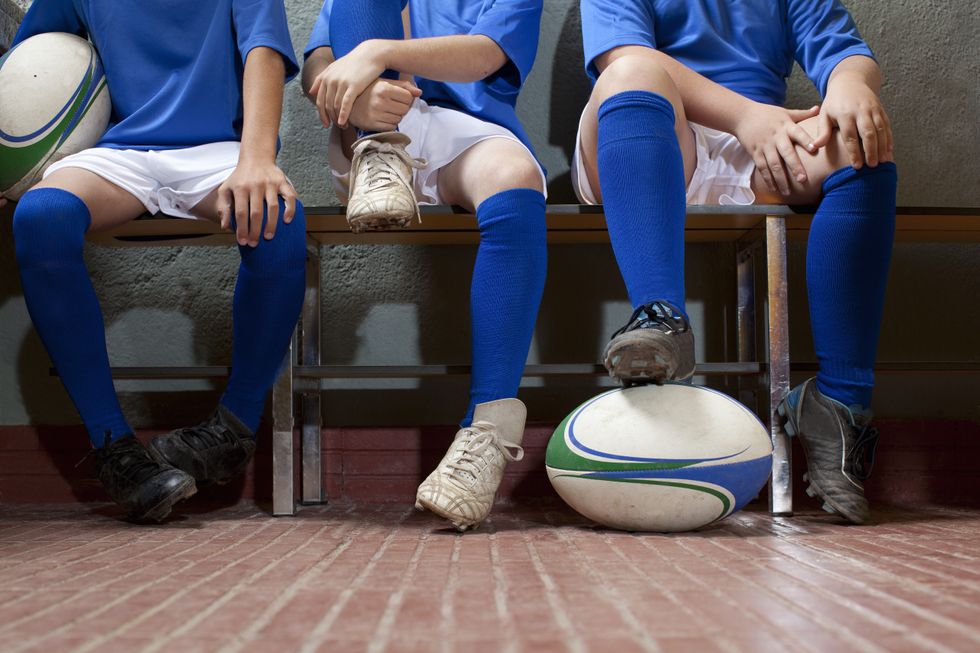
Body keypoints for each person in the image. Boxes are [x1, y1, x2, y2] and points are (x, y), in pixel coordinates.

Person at [574, 0, 897, 524]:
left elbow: (842, 51)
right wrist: (746, 116)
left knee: (862, 146)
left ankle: (839, 404)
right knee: (631, 71)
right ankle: (660, 318)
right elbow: (623, 54)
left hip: (759, 147)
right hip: (647, 133)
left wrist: (850, 85)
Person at [2, 0, 305, 522]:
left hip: (220, 149)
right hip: (120, 152)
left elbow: (265, 51)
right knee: (40, 216)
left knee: (277, 217)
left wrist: (257, 157)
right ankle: (116, 450)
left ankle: (233, 426)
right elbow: (28, 66)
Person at [302, 0, 546, 531]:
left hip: (469, 131)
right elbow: (318, 62)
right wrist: (347, 89)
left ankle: (488, 428)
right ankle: (381, 150)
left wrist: (378, 51)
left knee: (515, 177)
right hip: (368, 129)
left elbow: (485, 56)